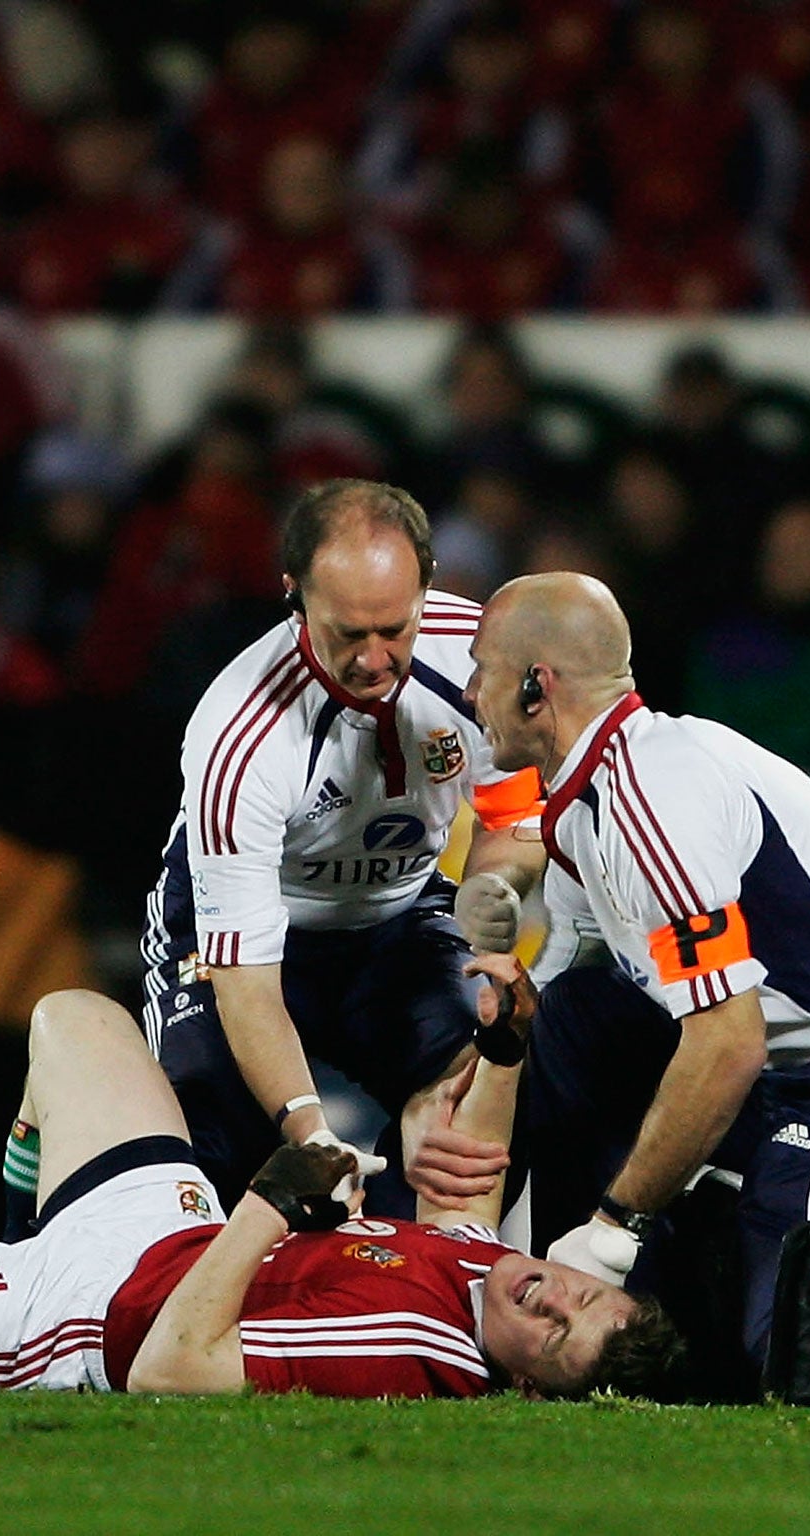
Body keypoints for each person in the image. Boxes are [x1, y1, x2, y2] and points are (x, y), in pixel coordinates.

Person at [0, 971, 686, 1401]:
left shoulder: (414, 1358)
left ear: (532, 1387)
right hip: (158, 1232)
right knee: (73, 1017)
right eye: (577, 1292)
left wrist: (269, 1198)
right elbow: (463, 1203)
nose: (549, 1299)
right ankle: (12, 1233)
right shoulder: (498, 1282)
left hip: (70, 1322)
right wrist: (500, 1054)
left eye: (557, 1333)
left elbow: (167, 1374)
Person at [448, 571, 810, 1377]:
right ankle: (466, 1287)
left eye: (482, 666)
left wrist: (612, 1227)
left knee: (800, 1344)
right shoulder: (584, 806)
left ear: (537, 685)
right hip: (787, 1086)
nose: (469, 690)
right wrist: (473, 1076)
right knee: (568, 1026)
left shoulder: (652, 795)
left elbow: (727, 1045)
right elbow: (568, 997)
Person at [41, 479, 541, 1237]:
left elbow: (515, 818)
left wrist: (488, 888)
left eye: (395, 628)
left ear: (427, 587)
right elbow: (245, 980)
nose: (377, 659)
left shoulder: (481, 663)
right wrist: (310, 1132)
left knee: (474, 1103)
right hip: (252, 936)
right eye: (349, 633)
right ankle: (36, 1277)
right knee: (196, 1155)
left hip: (399, 917)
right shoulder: (240, 735)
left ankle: (404, 1304)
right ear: (294, 597)